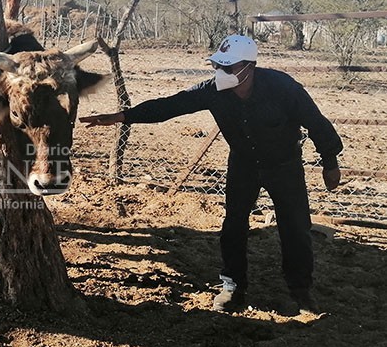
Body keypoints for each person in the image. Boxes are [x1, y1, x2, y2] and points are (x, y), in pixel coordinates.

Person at [79, 35, 342, 314]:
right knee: (234, 224)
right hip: (244, 165)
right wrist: (122, 117)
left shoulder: (282, 87)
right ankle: (233, 286)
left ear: (249, 67)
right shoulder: (213, 90)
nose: (222, 73)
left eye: (228, 67)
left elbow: (316, 122)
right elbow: (170, 106)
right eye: (218, 65)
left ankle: (300, 290)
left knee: (295, 227)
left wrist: (330, 163)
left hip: (284, 165)